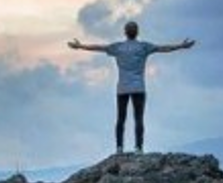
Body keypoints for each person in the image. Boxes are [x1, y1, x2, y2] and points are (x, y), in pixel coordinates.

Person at [68, 21, 196, 154]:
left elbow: (98, 47)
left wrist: (80, 46)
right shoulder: (143, 47)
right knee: (139, 118)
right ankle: (139, 148)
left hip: (122, 88)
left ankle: (119, 148)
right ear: (137, 32)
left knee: (120, 118)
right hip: (138, 88)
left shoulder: (118, 47)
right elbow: (163, 48)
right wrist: (181, 46)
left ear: (125, 32)